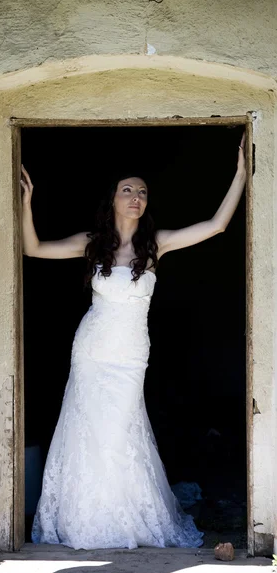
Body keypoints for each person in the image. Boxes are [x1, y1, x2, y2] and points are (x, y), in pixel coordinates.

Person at [20, 134, 246, 550]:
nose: (135, 197)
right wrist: (27, 201)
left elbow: (217, 226)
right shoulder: (92, 244)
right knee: (88, 428)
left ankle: (127, 515)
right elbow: (32, 249)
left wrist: (241, 175)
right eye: (127, 190)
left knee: (121, 430)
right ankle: (83, 518)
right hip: (91, 350)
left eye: (142, 192)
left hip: (129, 354)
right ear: (114, 199)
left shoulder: (155, 245)